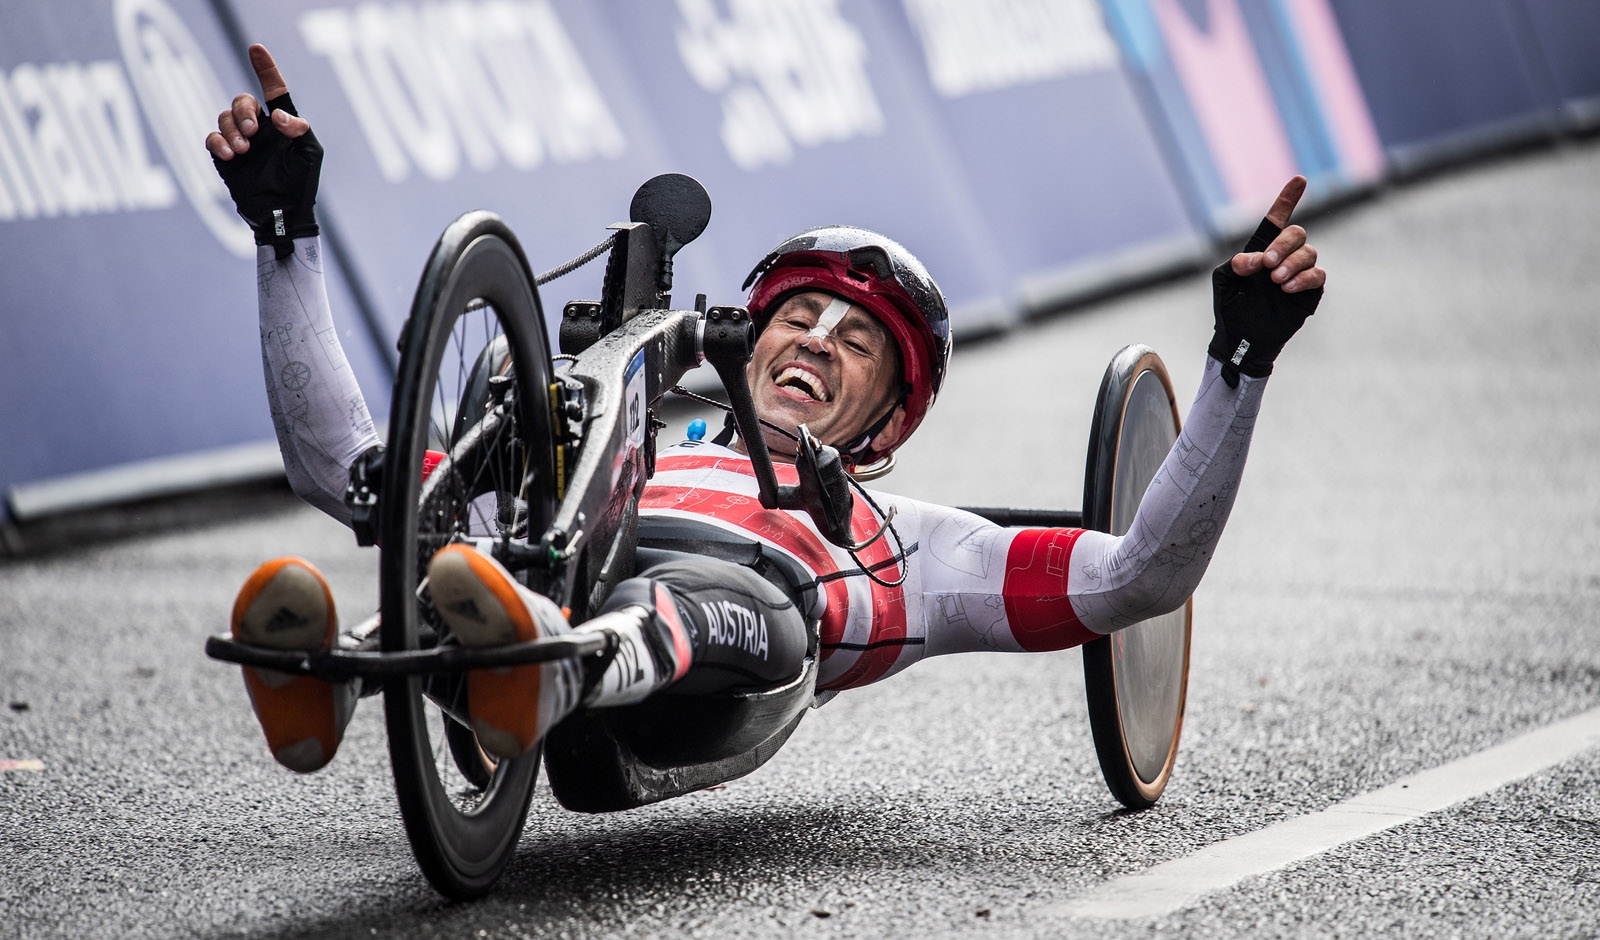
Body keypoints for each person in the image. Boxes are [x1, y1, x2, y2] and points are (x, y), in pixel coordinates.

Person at [209, 46, 1325, 773]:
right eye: (799, 320)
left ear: (886, 426)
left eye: (858, 347)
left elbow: (1137, 576)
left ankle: (551, 664)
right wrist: (283, 237)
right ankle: (331, 677)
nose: (817, 344)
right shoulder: (617, 424)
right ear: (745, 338)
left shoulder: (917, 543)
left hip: (729, 654)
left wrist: (1239, 358)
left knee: (760, 597)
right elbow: (344, 467)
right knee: (435, 499)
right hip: (548, 566)